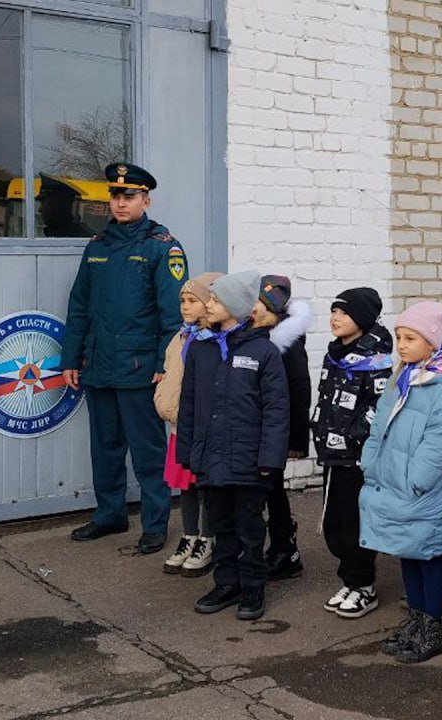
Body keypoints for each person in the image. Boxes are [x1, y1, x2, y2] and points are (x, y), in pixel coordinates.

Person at [61, 162, 186, 555]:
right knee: (105, 447)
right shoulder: (97, 247)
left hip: (139, 369)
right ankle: (110, 515)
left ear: (145, 200)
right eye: (115, 196)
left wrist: (165, 367)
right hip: (98, 366)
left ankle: (154, 523)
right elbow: (79, 307)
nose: (120, 203)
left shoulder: (162, 246)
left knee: (147, 452)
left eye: (129, 196)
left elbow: (174, 315)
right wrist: (72, 358)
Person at [178, 270, 290, 622]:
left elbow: (276, 410)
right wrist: (188, 452)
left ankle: (253, 588)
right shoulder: (201, 348)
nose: (208, 305)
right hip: (211, 459)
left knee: (250, 528)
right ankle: (226, 584)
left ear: (236, 307)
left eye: (215, 299)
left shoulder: (263, 351)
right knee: (221, 526)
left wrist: (270, 459)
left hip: (249, 462)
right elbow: (190, 403)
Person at [360, 302, 442, 664]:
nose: (401, 345)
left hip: (421, 491)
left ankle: (432, 625)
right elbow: (379, 429)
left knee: (428, 555)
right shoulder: (400, 377)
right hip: (393, 483)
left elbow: (439, 445)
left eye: (411, 338)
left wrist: (415, 481)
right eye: (399, 338)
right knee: (406, 551)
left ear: (432, 342)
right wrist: (371, 466)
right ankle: (416, 617)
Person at [313, 287, 392, 619]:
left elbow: (379, 406)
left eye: (343, 313)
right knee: (333, 522)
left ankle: (364, 585)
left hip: (356, 456)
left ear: (361, 318)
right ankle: (349, 578)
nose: (335, 318)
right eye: (333, 311)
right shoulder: (335, 353)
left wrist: (351, 435)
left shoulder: (376, 359)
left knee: (353, 523)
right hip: (331, 453)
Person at [155, 271, 223, 576]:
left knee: (204, 485)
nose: (185, 306)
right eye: (182, 300)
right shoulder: (180, 335)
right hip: (177, 426)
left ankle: (208, 538)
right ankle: (189, 535)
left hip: (201, 427)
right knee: (186, 486)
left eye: (192, 300)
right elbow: (171, 370)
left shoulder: (212, 341)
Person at [253, 275, 312, 581]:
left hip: (275, 429)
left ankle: (284, 549)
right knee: (266, 489)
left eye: (260, 305)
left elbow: (299, 389)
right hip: (255, 426)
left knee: (271, 489)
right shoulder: (255, 336)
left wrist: (296, 440)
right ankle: (277, 546)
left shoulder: (285, 343)